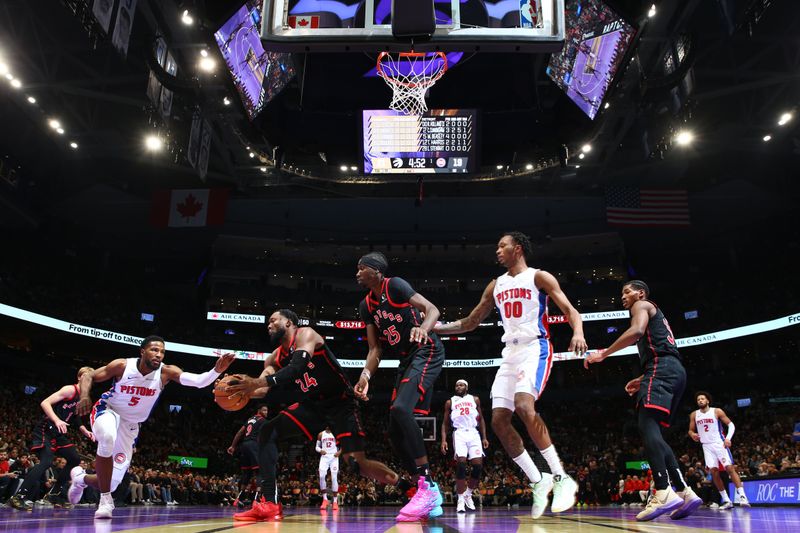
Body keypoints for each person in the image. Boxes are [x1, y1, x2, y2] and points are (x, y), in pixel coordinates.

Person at [434, 232, 582, 518]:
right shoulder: (496, 284)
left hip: (534, 348)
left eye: (502, 246)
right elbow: (470, 322)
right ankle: (540, 481)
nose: (498, 251)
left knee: (525, 406)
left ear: (518, 248)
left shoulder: (540, 277)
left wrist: (578, 332)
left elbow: (570, 310)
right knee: (499, 421)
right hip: (509, 354)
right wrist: (435, 328)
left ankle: (562, 477)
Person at [225, 309, 399, 522]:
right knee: (267, 430)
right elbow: (261, 389)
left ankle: (406, 487)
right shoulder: (273, 358)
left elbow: (297, 368)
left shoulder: (306, 334)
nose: (268, 325)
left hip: (340, 403)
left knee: (357, 465)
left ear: (289, 322)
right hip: (313, 406)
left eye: (273, 320)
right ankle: (270, 503)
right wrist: (237, 391)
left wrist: (257, 382)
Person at [69, 336, 235, 519]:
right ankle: (105, 501)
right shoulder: (123, 366)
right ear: (142, 351)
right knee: (107, 438)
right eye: (154, 350)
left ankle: (80, 479)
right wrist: (85, 396)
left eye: (162, 351)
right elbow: (88, 375)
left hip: (131, 424)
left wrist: (216, 370)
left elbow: (198, 381)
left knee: (110, 482)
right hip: (108, 410)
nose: (159, 355)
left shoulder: (166, 373)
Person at [585, 280, 702, 521]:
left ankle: (662, 490)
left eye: (627, 291)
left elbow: (637, 331)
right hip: (672, 370)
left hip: (662, 369)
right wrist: (642, 377)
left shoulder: (641, 305)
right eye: (622, 293)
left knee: (646, 425)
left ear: (640, 293)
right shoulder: (654, 313)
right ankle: (684, 491)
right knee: (655, 432)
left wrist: (603, 354)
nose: (623, 296)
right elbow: (661, 350)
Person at [354, 252, 446, 522]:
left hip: (426, 350)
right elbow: (375, 349)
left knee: (402, 409)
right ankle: (426, 490)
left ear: (376, 271)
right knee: (394, 429)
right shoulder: (365, 305)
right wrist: (365, 377)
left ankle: (427, 485)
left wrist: (424, 329)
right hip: (406, 360)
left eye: (362, 268)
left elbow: (433, 310)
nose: (357, 272)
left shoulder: (395, 285)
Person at [9, 367, 95, 511]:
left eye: (92, 377)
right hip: (46, 428)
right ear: (79, 377)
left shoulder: (83, 396)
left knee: (74, 458)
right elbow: (45, 403)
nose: (89, 379)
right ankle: (18, 496)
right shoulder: (70, 390)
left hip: (57, 434)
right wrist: (57, 420)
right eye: (86, 376)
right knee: (46, 462)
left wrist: (84, 430)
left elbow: (75, 416)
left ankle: (54, 494)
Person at [689, 391, 750, 509]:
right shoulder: (694, 415)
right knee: (714, 472)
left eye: (702, 399)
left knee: (729, 468)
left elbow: (731, 424)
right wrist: (693, 435)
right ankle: (727, 500)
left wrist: (727, 438)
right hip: (706, 446)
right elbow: (690, 430)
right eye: (698, 400)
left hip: (719, 443)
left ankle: (743, 496)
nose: (700, 400)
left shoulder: (716, 411)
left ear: (707, 401)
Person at [440, 379, 489, 512]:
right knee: (461, 464)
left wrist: (484, 437)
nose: (458, 387)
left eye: (461, 385)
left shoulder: (475, 399)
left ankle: (468, 494)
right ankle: (460, 499)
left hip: (473, 433)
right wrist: (444, 440)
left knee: (478, 466)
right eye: (456, 385)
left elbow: (481, 419)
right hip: (459, 433)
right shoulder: (450, 402)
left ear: (466, 387)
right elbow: (445, 423)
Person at [227, 405, 270, 507]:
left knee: (247, 473)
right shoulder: (263, 420)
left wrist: (233, 446)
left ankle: (239, 498)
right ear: (259, 410)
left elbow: (239, 432)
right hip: (253, 445)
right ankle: (257, 498)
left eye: (267, 410)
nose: (266, 412)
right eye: (264, 410)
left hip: (244, 445)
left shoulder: (250, 420)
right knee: (259, 472)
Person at [316, 425, 341, 510]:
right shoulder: (321, 434)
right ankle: (325, 500)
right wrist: (320, 450)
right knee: (322, 476)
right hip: (324, 457)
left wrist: (339, 452)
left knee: (334, 478)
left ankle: (335, 501)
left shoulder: (337, 433)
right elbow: (317, 447)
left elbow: (344, 445)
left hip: (334, 457)